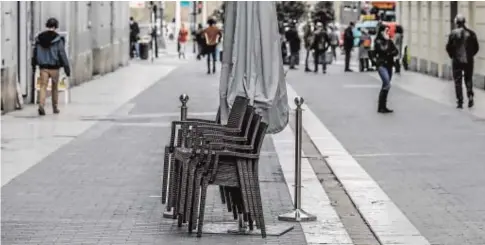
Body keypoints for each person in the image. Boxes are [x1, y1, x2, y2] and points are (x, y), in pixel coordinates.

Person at [31, 17, 70, 116]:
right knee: (54, 88)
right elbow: (62, 53)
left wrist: (34, 64)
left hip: (43, 67)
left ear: (47, 25)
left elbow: (35, 52)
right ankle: (55, 107)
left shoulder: (39, 38)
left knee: (43, 87)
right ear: (55, 26)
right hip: (54, 68)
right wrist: (66, 67)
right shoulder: (58, 39)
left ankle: (41, 105)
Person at [446, 14, 479, 109]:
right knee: (468, 78)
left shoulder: (453, 33)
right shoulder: (471, 33)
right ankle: (470, 96)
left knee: (458, 81)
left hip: (456, 60)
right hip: (468, 60)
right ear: (464, 22)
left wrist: (452, 55)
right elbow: (476, 47)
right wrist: (470, 55)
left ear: (456, 23)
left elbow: (448, 47)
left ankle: (460, 101)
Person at [374, 25, 398, 113]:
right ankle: (381, 106)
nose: (388, 33)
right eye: (386, 31)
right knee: (387, 84)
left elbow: (396, 51)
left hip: (389, 65)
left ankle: (382, 106)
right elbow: (383, 50)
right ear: (381, 32)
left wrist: (390, 52)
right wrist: (389, 49)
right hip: (382, 65)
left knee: (385, 86)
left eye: (388, 31)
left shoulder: (389, 41)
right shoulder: (378, 41)